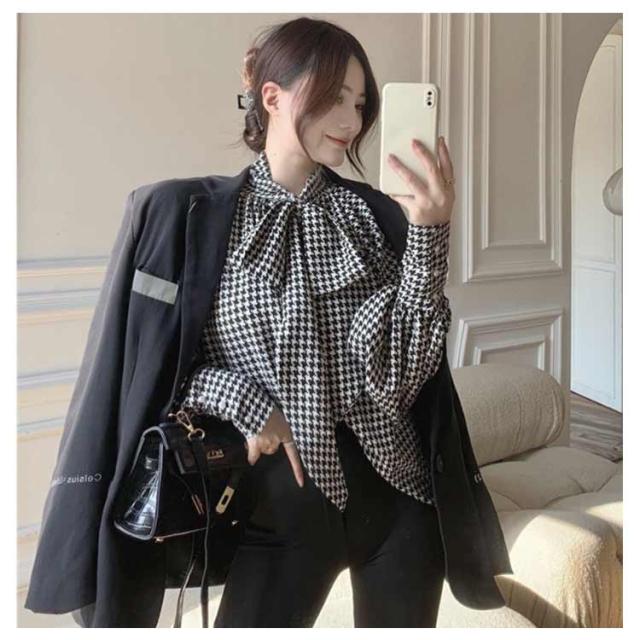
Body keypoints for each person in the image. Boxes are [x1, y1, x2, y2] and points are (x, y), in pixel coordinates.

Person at [176, 16, 456, 628]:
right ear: (271, 96)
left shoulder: (372, 216)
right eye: (333, 97)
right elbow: (166, 367)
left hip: (399, 503)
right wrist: (249, 405)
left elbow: (404, 376)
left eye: (359, 103)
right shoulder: (202, 218)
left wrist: (429, 234)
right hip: (280, 510)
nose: (352, 120)